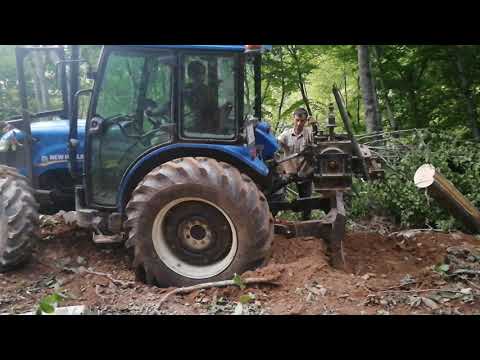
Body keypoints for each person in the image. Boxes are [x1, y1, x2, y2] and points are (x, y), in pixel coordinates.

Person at [277, 108, 314, 220]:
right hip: (289, 173)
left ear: (306, 121)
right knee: (278, 194)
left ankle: (305, 223)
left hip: (305, 173)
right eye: (297, 120)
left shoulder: (309, 134)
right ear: (293, 119)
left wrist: (315, 126)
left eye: (302, 121)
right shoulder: (286, 135)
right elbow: (275, 145)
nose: (299, 124)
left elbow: (317, 144)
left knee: (306, 200)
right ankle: (275, 216)